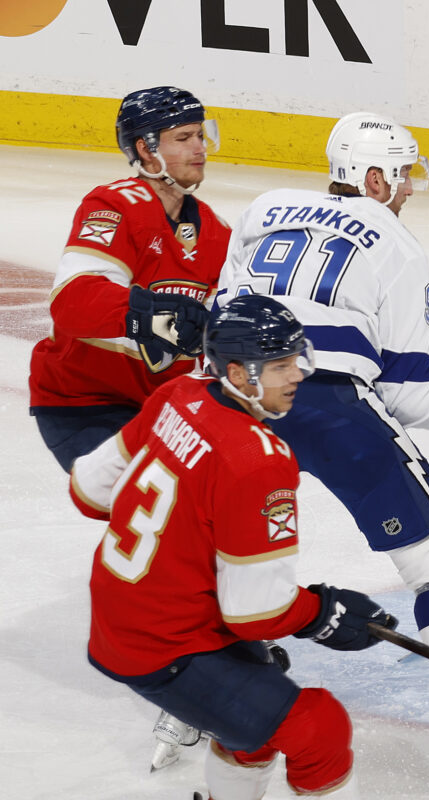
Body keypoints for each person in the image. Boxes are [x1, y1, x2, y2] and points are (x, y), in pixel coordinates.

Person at [211, 112, 429, 784]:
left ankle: (198, 703)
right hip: (332, 405)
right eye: (401, 174)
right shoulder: (397, 244)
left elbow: (224, 314)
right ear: (371, 176)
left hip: (232, 393)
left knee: (221, 544)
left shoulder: (265, 206)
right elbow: (407, 393)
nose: (408, 189)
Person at [69, 295, 397, 799]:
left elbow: (88, 491)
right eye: (282, 365)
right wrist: (324, 613)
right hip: (166, 642)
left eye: (297, 359)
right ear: (241, 374)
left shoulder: (179, 393)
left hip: (123, 613)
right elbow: (257, 613)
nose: (297, 376)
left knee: (253, 734)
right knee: (318, 726)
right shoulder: (258, 461)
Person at [27, 85, 229, 767]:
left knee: (213, 520)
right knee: (167, 524)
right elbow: (76, 305)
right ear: (146, 150)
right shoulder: (113, 206)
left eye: (202, 134)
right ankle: (188, 681)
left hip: (156, 412)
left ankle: (202, 668)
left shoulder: (219, 234)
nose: (199, 147)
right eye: (183, 137)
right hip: (80, 405)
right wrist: (162, 317)